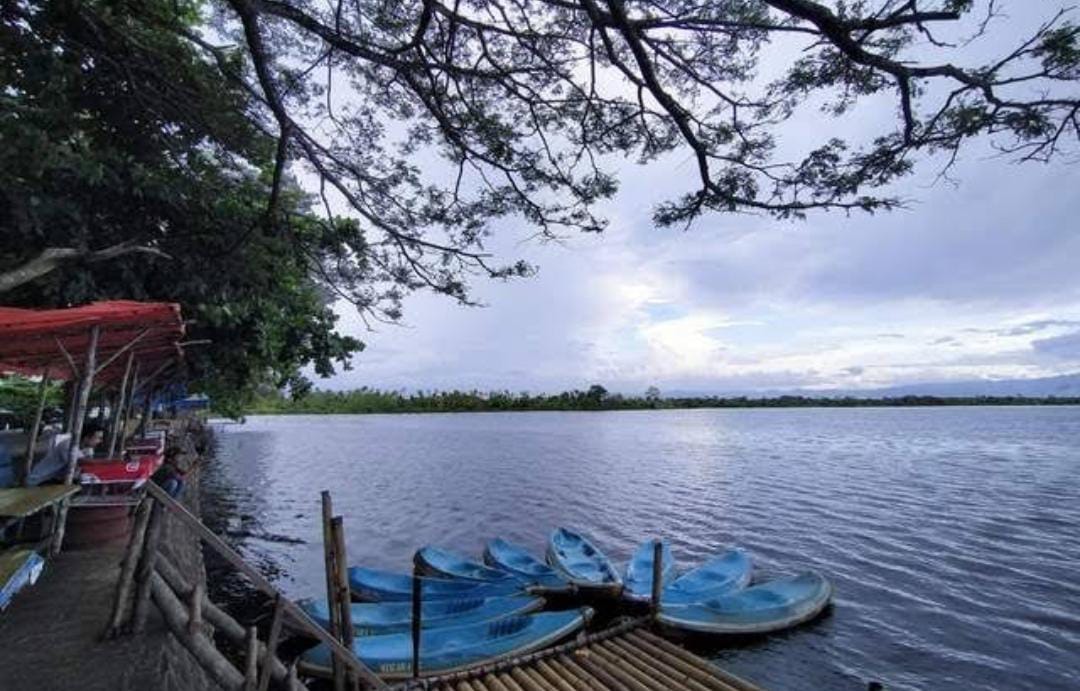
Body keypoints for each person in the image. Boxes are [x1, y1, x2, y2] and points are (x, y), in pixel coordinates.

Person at [26, 423, 104, 486]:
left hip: (57, 480)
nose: (100, 441)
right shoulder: (68, 445)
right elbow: (78, 464)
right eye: (98, 438)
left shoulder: (88, 449)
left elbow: (87, 467)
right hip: (41, 480)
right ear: (87, 438)